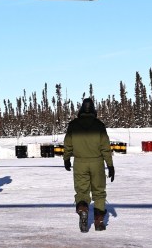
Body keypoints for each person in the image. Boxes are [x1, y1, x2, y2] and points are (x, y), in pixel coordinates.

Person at [63, 98, 114, 232]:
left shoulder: (73, 125)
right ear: (93, 109)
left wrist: (66, 158)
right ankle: (99, 222)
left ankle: (83, 208)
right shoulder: (99, 125)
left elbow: (68, 143)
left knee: (82, 191)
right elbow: (105, 147)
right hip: (97, 162)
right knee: (99, 192)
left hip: (80, 162)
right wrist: (110, 165)